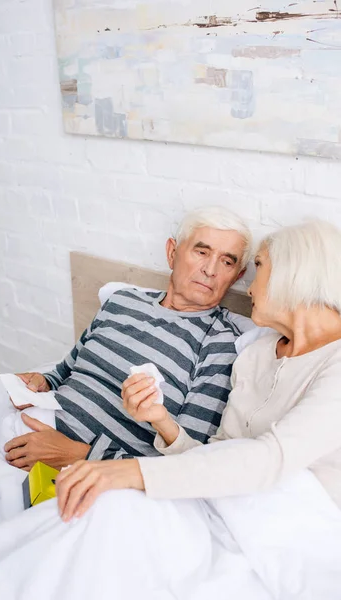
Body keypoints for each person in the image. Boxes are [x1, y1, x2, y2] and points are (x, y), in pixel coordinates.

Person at [54, 219, 341, 519]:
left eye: (258, 266)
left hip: (295, 526)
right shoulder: (256, 354)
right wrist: (161, 420)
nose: (250, 287)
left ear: (292, 271)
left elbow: (270, 458)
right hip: (223, 507)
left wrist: (126, 470)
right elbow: (216, 454)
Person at [3, 206, 253, 470]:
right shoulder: (121, 301)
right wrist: (40, 382)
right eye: (202, 252)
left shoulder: (220, 346)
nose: (211, 270)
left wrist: (79, 455)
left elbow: (187, 462)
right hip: (24, 435)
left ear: (236, 277)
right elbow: (64, 372)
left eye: (227, 262)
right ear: (172, 252)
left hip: (94, 473)